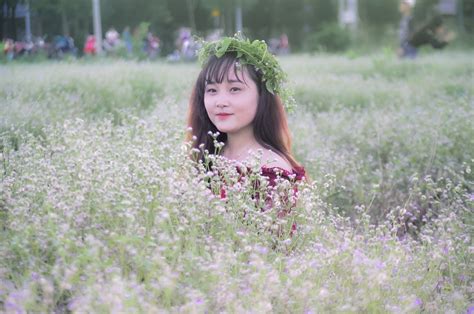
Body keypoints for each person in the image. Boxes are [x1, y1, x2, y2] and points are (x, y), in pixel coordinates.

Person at [186, 35, 305, 233]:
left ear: (262, 96)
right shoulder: (207, 156)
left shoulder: (272, 172)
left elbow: (276, 251)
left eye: (234, 89)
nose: (220, 101)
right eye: (212, 90)